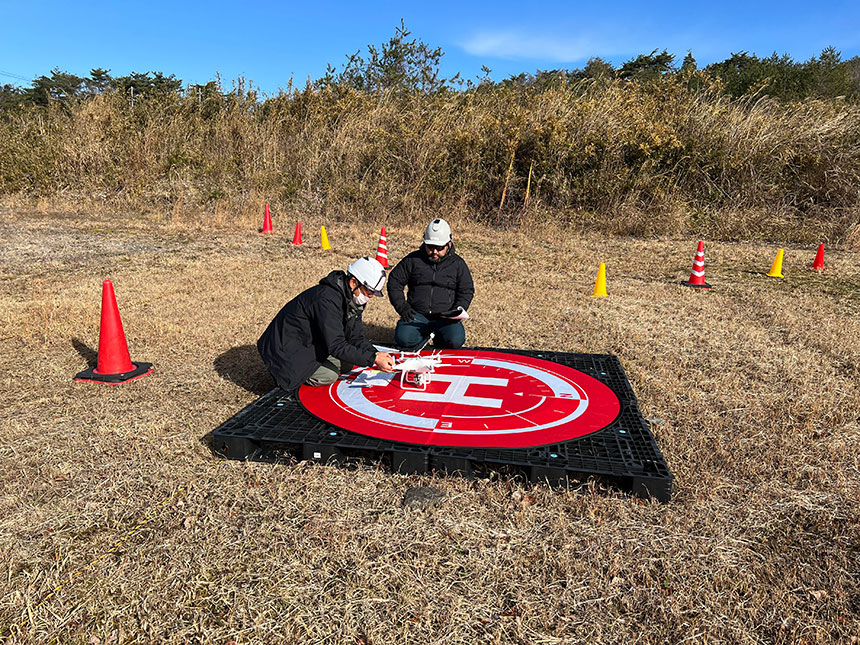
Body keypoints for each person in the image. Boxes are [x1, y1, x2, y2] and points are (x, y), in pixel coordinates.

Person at [257, 257, 395, 395]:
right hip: (286, 350)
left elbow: (355, 337)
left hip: (310, 343)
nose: (370, 297)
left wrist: (374, 353)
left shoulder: (353, 299)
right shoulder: (327, 300)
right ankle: (293, 375)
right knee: (329, 376)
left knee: (348, 364)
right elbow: (336, 345)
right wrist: (374, 359)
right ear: (353, 283)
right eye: (369, 292)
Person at [387, 218, 475, 350]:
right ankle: (422, 337)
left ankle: (439, 338)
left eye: (439, 248)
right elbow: (394, 281)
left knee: (455, 341)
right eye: (430, 247)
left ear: (449, 244)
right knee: (404, 339)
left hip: (446, 318)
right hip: (416, 315)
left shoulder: (458, 264)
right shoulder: (412, 260)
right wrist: (402, 307)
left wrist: (458, 309)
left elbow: (466, 290)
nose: (434, 252)